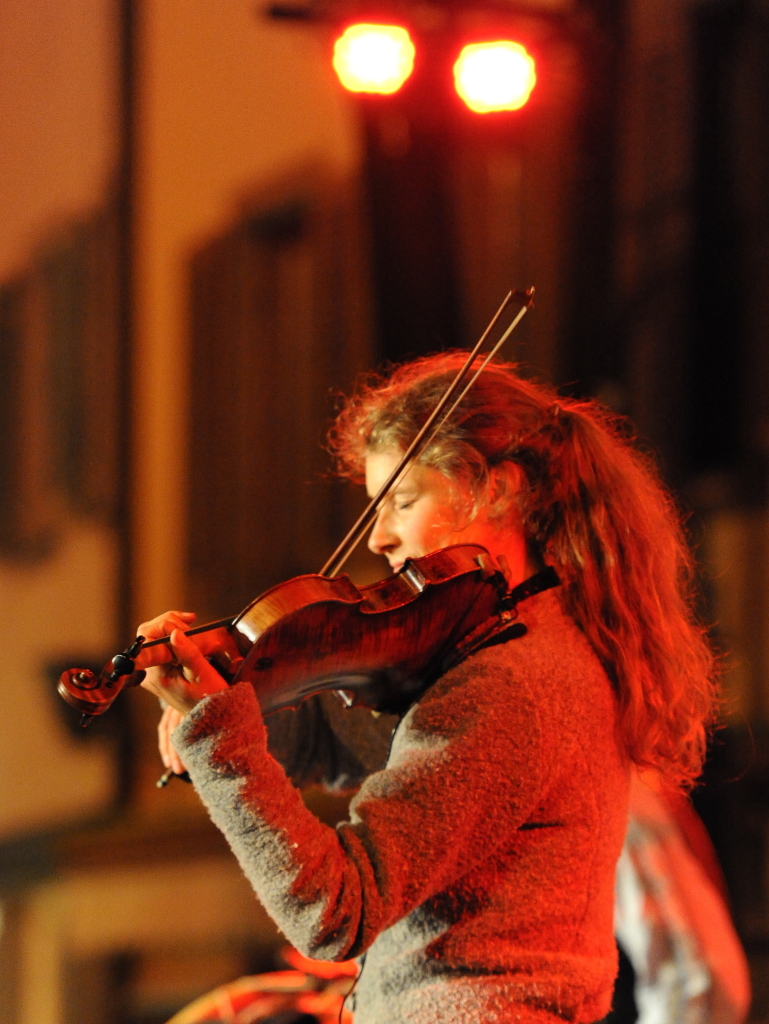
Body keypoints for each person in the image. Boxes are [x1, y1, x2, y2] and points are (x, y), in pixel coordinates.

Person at [136, 354, 719, 1024]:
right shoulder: (517, 648)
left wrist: (221, 737)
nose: (379, 539)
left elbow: (333, 912)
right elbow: (342, 738)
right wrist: (235, 710)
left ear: (496, 490)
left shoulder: (511, 683)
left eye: (402, 503)